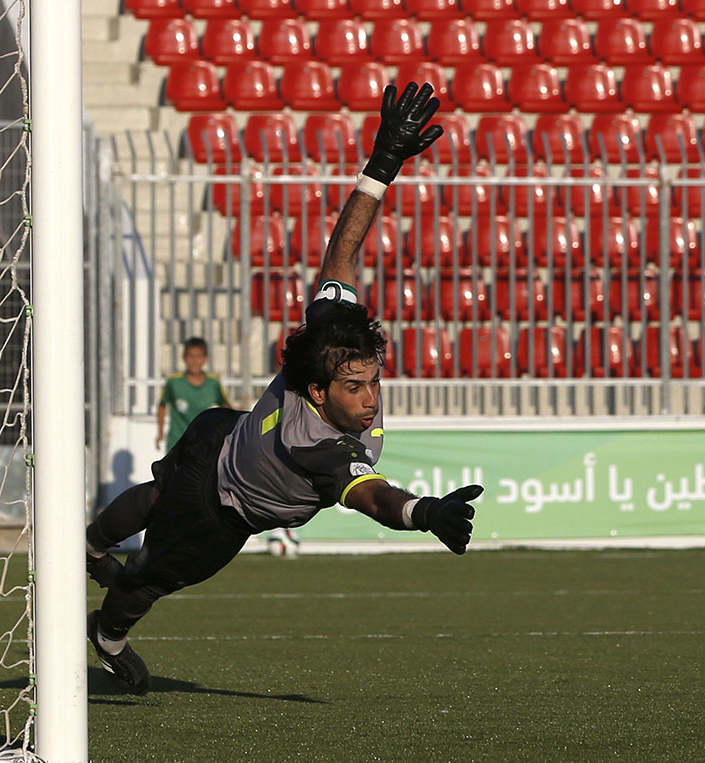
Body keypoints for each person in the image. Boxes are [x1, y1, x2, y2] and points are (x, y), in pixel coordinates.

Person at [84, 81, 482, 696]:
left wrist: (382, 166)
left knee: (158, 493)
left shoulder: (331, 345)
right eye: (355, 388)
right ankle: (107, 636)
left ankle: (88, 546)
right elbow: (372, 497)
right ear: (319, 394)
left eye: (374, 381)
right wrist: (425, 513)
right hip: (221, 506)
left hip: (225, 431)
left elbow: (341, 257)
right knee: (146, 578)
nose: (370, 396)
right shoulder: (322, 446)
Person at [156, 337, 229, 452]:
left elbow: (226, 407)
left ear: (206, 358)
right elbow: (162, 405)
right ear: (184, 358)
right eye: (191, 356)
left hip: (203, 445)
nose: (194, 361)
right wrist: (160, 432)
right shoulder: (174, 382)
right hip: (176, 443)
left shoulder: (213, 383)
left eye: (199, 356)